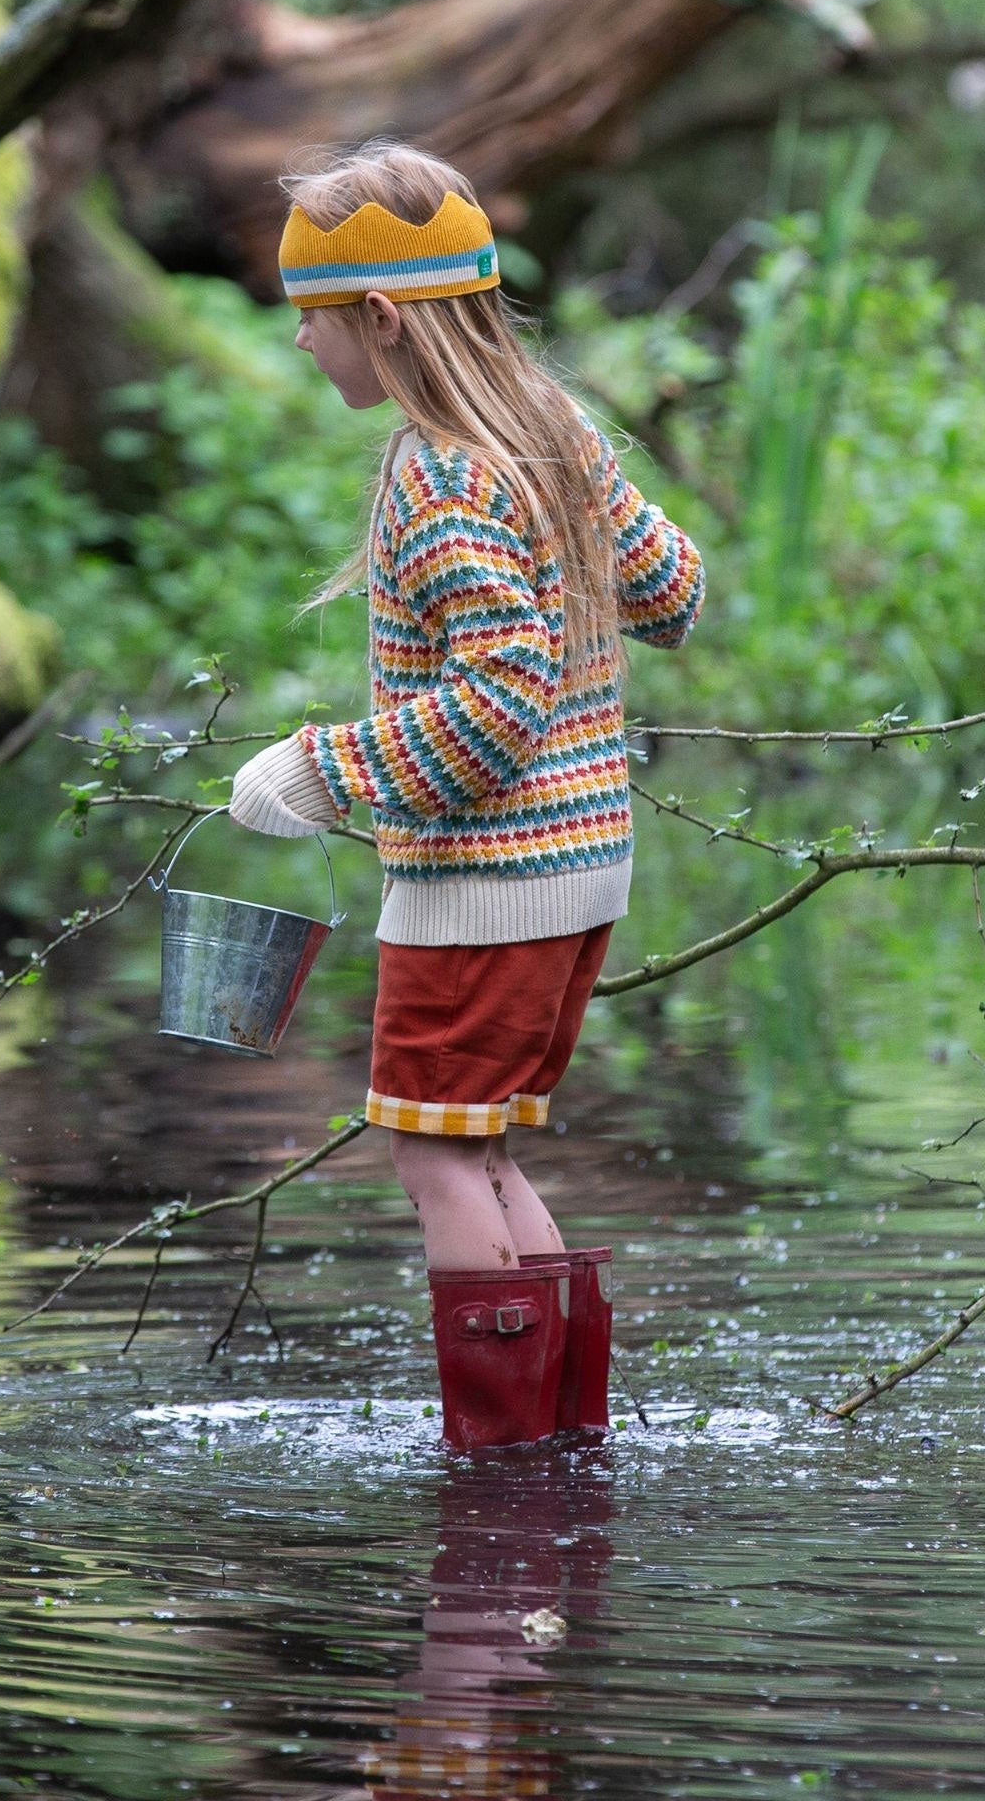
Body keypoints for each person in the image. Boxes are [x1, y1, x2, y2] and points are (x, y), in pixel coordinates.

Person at [229, 140, 704, 1451]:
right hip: (583, 872)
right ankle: (561, 1447)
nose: (302, 349)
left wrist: (319, 771)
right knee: (483, 1152)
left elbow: (496, 705)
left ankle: (495, 1467)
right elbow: (676, 594)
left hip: (484, 889)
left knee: (439, 1158)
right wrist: (593, 501)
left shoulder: (437, 469)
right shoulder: (554, 429)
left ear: (379, 318)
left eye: (309, 323)